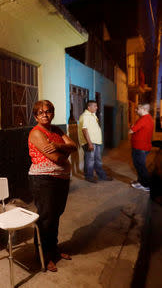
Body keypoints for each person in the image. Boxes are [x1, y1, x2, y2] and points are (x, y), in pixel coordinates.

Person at [28, 100, 77, 272]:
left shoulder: (56, 130)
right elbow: (57, 159)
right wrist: (66, 152)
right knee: (46, 218)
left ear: (53, 113)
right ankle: (43, 255)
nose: (45, 115)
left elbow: (74, 146)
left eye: (48, 111)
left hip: (61, 179)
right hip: (44, 180)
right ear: (35, 116)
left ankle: (54, 249)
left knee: (56, 215)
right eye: (40, 112)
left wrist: (57, 145)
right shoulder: (36, 133)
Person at [78, 100, 113, 183]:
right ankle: (89, 176)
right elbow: (84, 129)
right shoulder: (85, 116)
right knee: (90, 161)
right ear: (89, 107)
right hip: (90, 142)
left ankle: (102, 176)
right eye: (95, 106)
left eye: (96, 106)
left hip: (95, 142)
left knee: (97, 160)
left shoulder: (92, 115)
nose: (97, 107)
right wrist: (89, 143)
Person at [129, 103, 154, 192]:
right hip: (140, 147)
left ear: (143, 109)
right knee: (138, 166)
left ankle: (146, 185)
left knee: (141, 166)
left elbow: (131, 130)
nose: (136, 110)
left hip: (141, 148)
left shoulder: (144, 119)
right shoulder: (147, 118)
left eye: (137, 109)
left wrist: (132, 127)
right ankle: (140, 182)